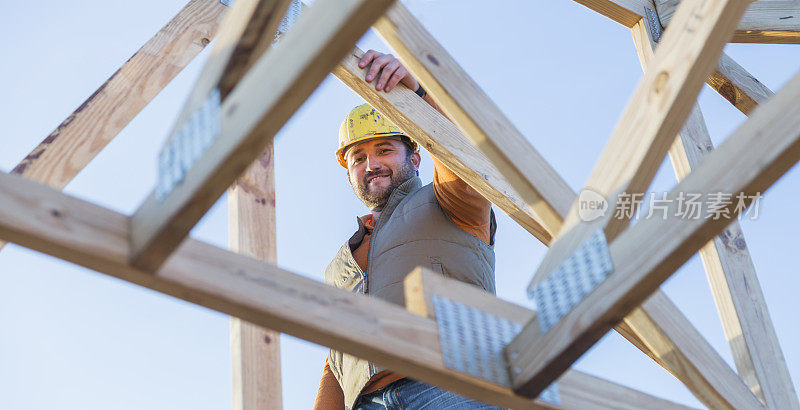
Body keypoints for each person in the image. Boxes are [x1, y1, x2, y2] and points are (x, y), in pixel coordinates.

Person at [313, 50, 498, 410]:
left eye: (384, 149)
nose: (372, 164)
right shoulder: (341, 264)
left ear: (415, 157)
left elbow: (466, 161)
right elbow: (336, 361)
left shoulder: (451, 201)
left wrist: (418, 94)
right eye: (358, 158)